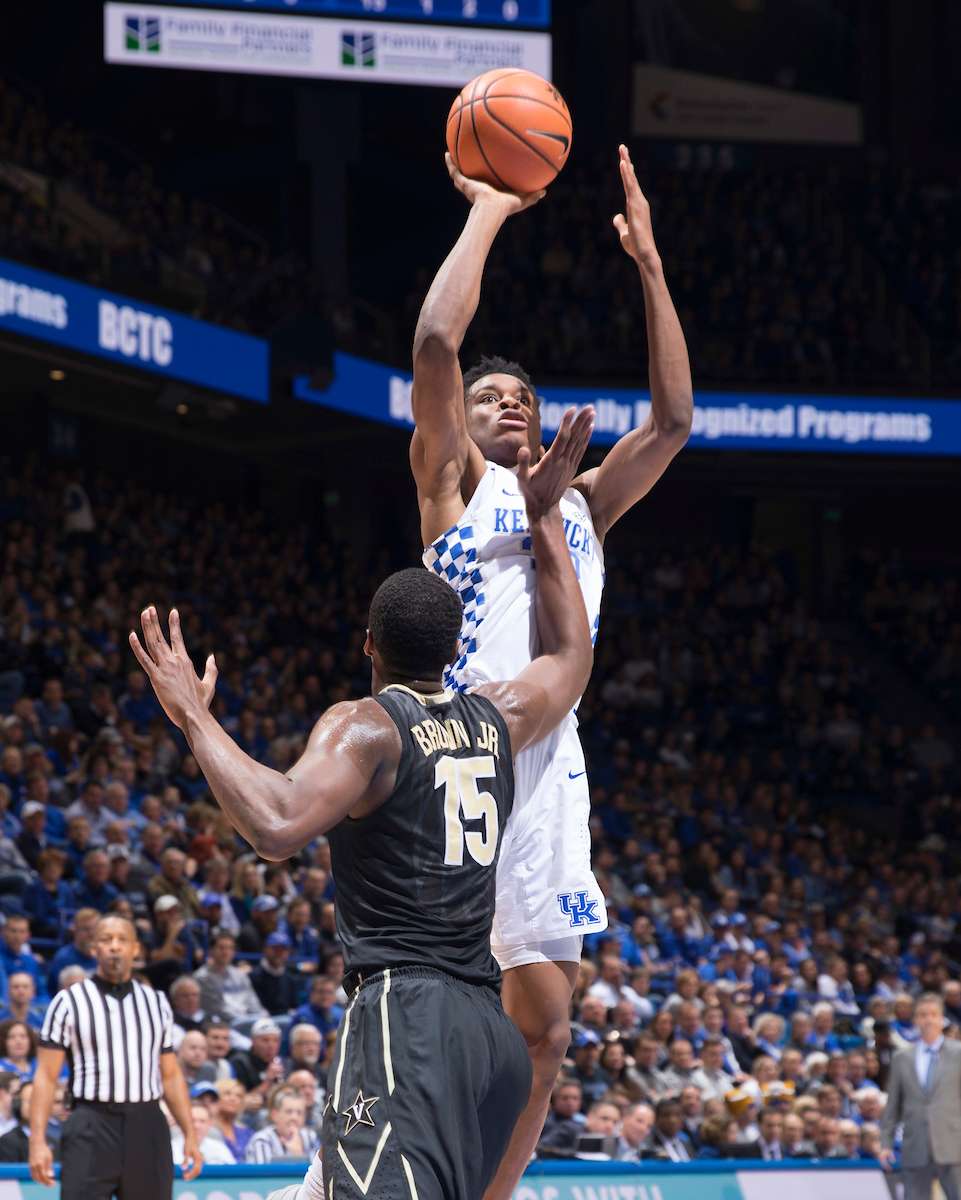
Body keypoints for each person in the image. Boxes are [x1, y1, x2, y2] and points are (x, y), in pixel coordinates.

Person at [129, 417, 595, 1200]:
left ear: (368, 645)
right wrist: (545, 520)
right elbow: (571, 655)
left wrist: (194, 717)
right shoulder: (499, 717)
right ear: (453, 651)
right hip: (489, 1036)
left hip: (405, 1021)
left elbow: (276, 824)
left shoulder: (367, 725)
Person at [409, 141, 692, 1200]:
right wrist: (487, 208)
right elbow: (440, 339)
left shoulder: (581, 505)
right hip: (451, 754)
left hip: (546, 767)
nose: (507, 403)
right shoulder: (449, 484)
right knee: (432, 1011)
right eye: (490, 398)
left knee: (546, 1026)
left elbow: (671, 423)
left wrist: (652, 267)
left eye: (521, 395)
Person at [29, 913, 202, 1198]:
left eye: (122, 940)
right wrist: (37, 1141)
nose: (114, 946)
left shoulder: (156, 1002)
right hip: (91, 1123)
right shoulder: (69, 1001)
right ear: (93, 948)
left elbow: (170, 1075)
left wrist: (190, 1134)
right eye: (106, 939)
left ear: (135, 949)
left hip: (148, 1124)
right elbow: (46, 1077)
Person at [881, 992, 961, 1199]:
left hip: (953, 1144)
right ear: (915, 1019)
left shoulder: (958, 1053)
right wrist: (885, 1144)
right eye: (923, 1015)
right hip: (915, 1143)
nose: (928, 1020)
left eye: (933, 1014)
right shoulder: (901, 1057)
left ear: (942, 1018)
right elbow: (893, 1105)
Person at [193, 932, 267, 1023]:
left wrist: (265, 1019)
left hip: (249, 1022)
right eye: (221, 948)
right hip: (223, 1026)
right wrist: (248, 1021)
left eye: (230, 948)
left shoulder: (240, 975)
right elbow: (218, 1011)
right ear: (211, 950)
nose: (226, 952)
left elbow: (254, 1004)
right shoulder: (202, 978)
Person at [245, 1088, 319, 1164]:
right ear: (275, 1114)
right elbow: (261, 1174)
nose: (294, 1118)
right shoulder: (261, 1141)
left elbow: (318, 1173)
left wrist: (298, 1153)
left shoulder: (310, 1137)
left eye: (299, 1113)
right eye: (288, 1112)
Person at [44, 909, 98, 997]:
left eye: (94, 928)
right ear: (74, 931)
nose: (91, 934)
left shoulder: (103, 957)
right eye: (85, 929)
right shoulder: (63, 959)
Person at [0, 1081, 57, 1163]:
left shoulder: (55, 1143)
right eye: (31, 1101)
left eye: (41, 1102)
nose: (36, 1106)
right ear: (18, 1105)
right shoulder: (7, 1141)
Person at [171, 1102, 236, 1166]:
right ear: (180, 1123)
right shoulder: (170, 1149)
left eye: (202, 1121)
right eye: (192, 1121)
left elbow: (235, 1172)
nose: (197, 1126)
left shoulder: (219, 1148)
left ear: (210, 1124)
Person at [250, 932, 299, 1015]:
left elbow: (294, 1006)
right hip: (264, 1022)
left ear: (288, 953)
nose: (278, 953)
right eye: (274, 949)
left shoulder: (288, 977)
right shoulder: (254, 976)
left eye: (282, 950)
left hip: (286, 1021)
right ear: (265, 949)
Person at [537, 1079, 584, 1156]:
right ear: (555, 1100)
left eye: (575, 1098)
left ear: (580, 1102)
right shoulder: (545, 1124)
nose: (570, 1103)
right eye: (565, 1098)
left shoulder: (583, 1122)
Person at [213, 1078, 253, 1162]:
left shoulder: (245, 1131)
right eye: (227, 1094)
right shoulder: (207, 1128)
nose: (233, 1098)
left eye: (238, 1096)